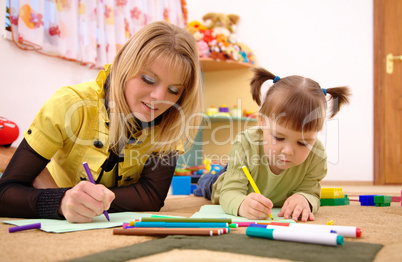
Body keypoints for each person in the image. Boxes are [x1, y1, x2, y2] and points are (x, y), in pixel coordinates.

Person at [0, 21, 203, 223]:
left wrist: (71, 196)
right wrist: (60, 201)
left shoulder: (171, 123)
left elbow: (151, 196)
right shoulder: (70, 104)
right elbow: (5, 193)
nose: (160, 96)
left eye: (174, 90)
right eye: (148, 79)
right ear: (124, 66)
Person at [194, 67, 350, 222]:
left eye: (303, 142)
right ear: (262, 121)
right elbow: (229, 193)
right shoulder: (245, 143)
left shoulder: (317, 154)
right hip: (227, 180)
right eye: (279, 138)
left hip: (260, 183)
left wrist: (304, 198)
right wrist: (242, 204)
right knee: (207, 184)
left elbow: (312, 192)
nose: (288, 151)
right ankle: (205, 177)